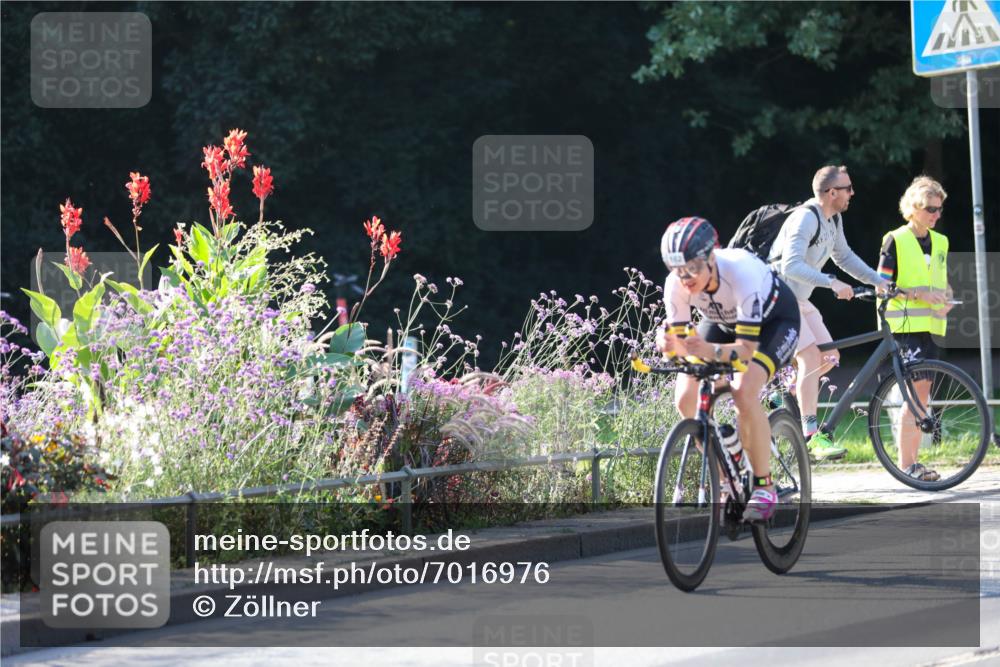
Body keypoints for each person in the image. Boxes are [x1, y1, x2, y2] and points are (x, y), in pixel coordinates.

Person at [656, 217, 800, 521]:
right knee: (685, 398)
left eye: (693, 267)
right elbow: (683, 345)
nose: (686, 278)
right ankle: (727, 472)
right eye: (677, 269)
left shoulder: (741, 272)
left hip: (774, 322)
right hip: (723, 323)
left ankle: (764, 486)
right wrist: (671, 345)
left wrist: (708, 352)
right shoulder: (676, 285)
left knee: (743, 390)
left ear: (712, 256)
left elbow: (746, 351)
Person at [768, 165, 889, 459]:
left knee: (829, 356)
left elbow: (844, 257)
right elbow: (790, 266)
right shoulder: (805, 219)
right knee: (809, 357)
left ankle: (781, 393)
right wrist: (830, 282)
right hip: (777, 298)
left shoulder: (833, 220)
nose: (852, 193)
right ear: (831, 192)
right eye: (848, 188)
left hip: (799, 298)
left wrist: (881, 281)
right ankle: (811, 435)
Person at [876, 176, 953, 481]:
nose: (937, 214)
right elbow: (883, 285)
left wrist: (946, 296)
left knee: (923, 394)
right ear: (913, 208)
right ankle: (908, 464)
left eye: (940, 209)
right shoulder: (894, 239)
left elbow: (941, 278)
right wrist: (918, 293)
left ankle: (912, 463)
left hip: (932, 325)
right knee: (916, 392)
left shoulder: (941, 242)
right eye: (931, 209)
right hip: (903, 325)